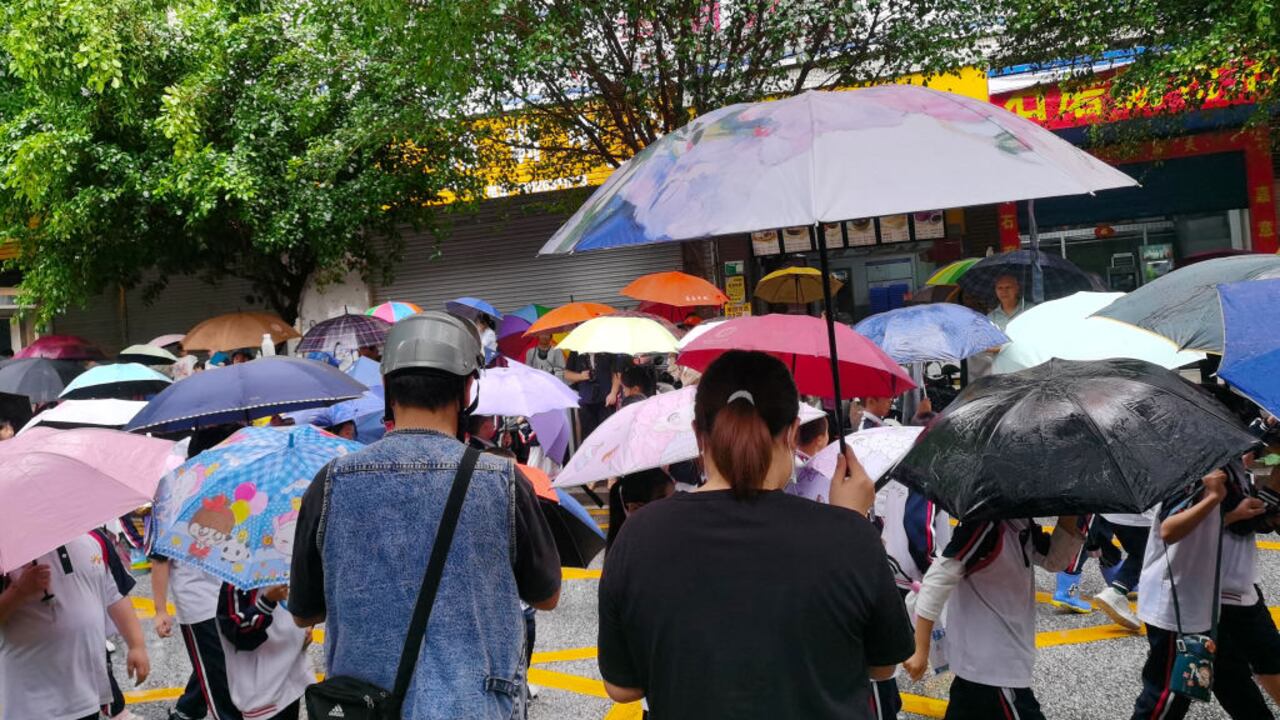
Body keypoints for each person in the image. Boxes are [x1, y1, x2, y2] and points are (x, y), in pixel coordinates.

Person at [598, 350, 914, 719]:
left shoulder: (640, 535)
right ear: (793, 432)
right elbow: (882, 666)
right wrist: (851, 522)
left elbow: (623, 687)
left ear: (699, 434)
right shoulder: (847, 535)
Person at [290, 311, 561, 719]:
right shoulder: (503, 481)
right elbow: (547, 595)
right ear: (469, 389)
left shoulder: (330, 483)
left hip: (365, 707)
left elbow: (304, 613)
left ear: (386, 386)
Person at [905, 515, 1085, 719]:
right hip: (995, 666)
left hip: (987, 665)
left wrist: (1069, 517)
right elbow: (936, 581)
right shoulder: (985, 525)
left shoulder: (1020, 521)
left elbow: (1053, 561)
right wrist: (921, 649)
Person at [1129, 464, 1266, 720]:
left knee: (1232, 678)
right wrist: (1214, 497)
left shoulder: (1231, 465)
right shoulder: (1197, 468)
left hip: (1205, 599)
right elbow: (1168, 529)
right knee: (1167, 695)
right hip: (1177, 603)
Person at [0, 535, 151, 720]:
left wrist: (137, 645)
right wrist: (19, 592)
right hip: (31, 702)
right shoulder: (5, 550)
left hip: (87, 694)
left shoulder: (96, 540)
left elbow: (116, 594)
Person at [215, 583, 312, 720]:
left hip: (289, 678)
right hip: (264, 693)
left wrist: (304, 628)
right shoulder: (237, 581)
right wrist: (267, 601)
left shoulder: (280, 566)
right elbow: (237, 632)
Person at [605, 468, 675, 551]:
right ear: (635, 509)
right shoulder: (638, 551)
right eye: (668, 503)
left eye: (676, 497)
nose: (676, 506)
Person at [565, 351, 625, 440]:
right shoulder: (576, 351)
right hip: (585, 400)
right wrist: (580, 376)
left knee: (607, 435)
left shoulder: (607, 348)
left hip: (606, 400)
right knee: (588, 436)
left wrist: (613, 393)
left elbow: (617, 373)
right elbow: (567, 374)